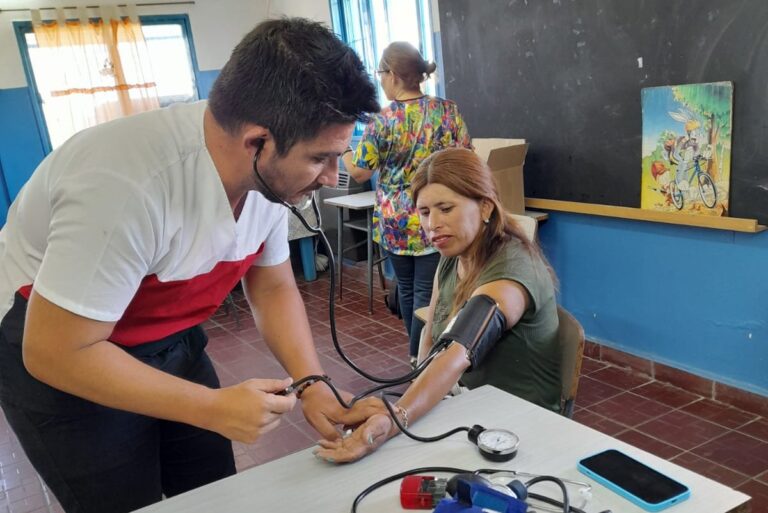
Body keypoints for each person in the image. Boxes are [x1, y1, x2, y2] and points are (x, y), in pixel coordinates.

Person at [0, 18, 378, 512]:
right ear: (257, 142)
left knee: (211, 489)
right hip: (61, 348)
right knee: (123, 500)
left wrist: (312, 383)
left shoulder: (265, 172)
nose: (333, 177)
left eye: (341, 155)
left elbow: (271, 286)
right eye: (320, 159)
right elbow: (53, 350)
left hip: (169, 337)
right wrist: (209, 406)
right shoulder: (123, 184)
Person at [315, 148, 561, 463]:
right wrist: (407, 402)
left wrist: (397, 417)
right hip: (473, 407)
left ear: (485, 206)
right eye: (425, 211)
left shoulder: (512, 271)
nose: (433, 225)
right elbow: (429, 345)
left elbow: (457, 351)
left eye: (446, 208)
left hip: (520, 426)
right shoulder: (452, 257)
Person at [341, 42, 472, 366]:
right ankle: (420, 356)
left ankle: (417, 358)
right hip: (437, 214)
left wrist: (343, 151)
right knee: (427, 292)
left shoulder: (382, 121)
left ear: (395, 75)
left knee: (411, 290)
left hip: (397, 220)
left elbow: (358, 170)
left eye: (381, 74)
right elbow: (467, 156)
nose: (380, 81)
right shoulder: (447, 110)